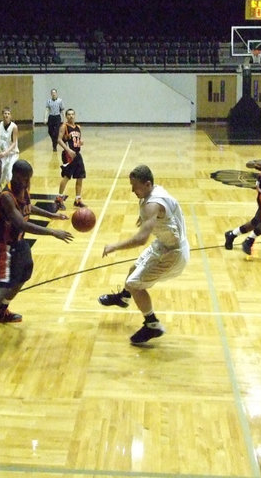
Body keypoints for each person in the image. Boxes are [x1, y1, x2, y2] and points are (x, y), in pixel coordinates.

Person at [0, 159, 73, 360]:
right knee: (3, 285)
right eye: (26, 179)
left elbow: (30, 208)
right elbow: (21, 223)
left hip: (17, 244)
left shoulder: (22, 190)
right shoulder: (6, 197)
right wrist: (52, 232)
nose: (28, 183)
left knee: (25, 272)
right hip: (3, 245)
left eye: (29, 179)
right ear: (16, 176)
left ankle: (1, 311)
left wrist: (52, 215)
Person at [98, 165, 190, 345]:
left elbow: (141, 239)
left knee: (135, 284)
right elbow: (155, 216)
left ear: (147, 184)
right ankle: (124, 297)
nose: (132, 190)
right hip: (163, 244)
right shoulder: (153, 193)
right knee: (133, 269)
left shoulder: (153, 203)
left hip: (173, 254)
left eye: (135, 186)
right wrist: (147, 218)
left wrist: (114, 247)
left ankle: (152, 324)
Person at [55, 108, 86, 210]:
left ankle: (77, 199)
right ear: (66, 116)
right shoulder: (64, 126)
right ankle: (59, 198)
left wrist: (80, 143)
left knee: (80, 176)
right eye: (68, 114)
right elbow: (59, 140)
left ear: (75, 115)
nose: (71, 116)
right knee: (67, 177)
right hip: (68, 155)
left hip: (77, 154)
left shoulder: (78, 127)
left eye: (72, 114)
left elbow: (76, 140)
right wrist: (68, 150)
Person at [0, 107, 19, 187]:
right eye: (5, 113)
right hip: (1, 154)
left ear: (11, 116)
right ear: (2, 115)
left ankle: (11, 192)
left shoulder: (14, 127)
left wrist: (5, 152)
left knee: (9, 172)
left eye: (8, 114)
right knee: (0, 173)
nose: (6, 115)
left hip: (12, 154)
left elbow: (14, 143)